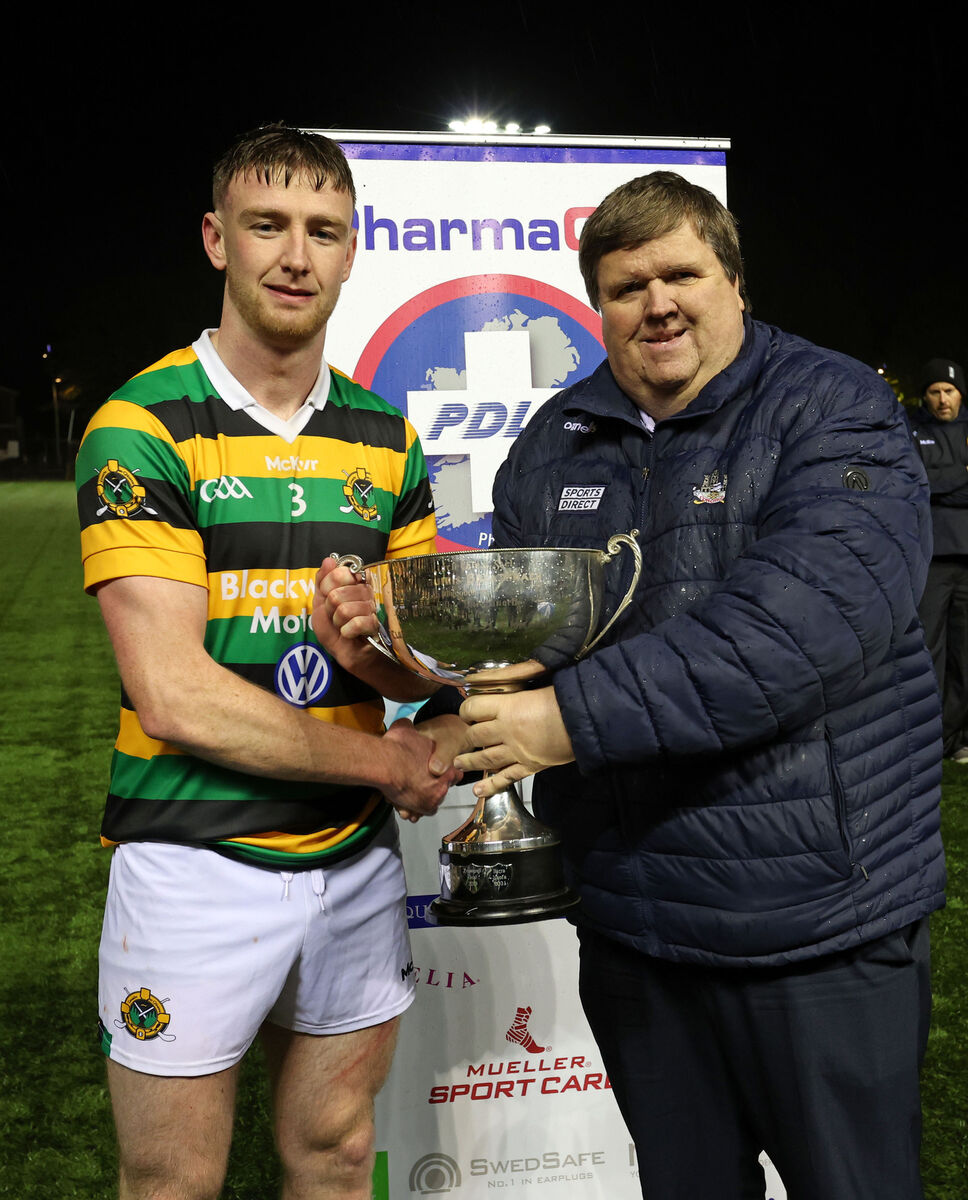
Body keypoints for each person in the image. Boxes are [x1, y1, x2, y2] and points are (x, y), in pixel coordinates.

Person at [431, 173, 946, 1199]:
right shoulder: (551, 442)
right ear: (597, 304)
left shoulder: (832, 406)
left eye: (680, 274)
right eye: (626, 286)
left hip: (814, 924)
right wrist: (419, 683)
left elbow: (793, 633)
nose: (656, 302)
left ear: (733, 282)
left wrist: (559, 723)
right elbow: (530, 644)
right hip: (637, 926)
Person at [75, 125, 459, 1200]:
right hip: (194, 860)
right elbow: (175, 694)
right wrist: (391, 766)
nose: (296, 255)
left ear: (350, 251)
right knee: (172, 1181)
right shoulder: (140, 424)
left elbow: (418, 670)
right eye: (267, 226)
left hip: (353, 863)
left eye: (322, 231)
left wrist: (373, 647)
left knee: (336, 1159)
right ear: (216, 241)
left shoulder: (388, 437)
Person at [910, 358, 968, 760]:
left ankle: (957, 738)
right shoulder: (911, 429)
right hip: (932, 557)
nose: (943, 399)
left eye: (949, 391)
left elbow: (934, 484)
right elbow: (916, 482)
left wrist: (941, 484)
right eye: (935, 391)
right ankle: (928, 738)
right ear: (925, 396)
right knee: (929, 648)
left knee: (965, 653)